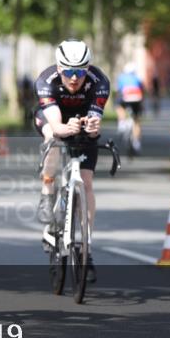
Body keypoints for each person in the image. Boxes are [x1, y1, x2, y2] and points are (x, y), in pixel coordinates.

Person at [33, 39, 110, 283]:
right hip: (52, 120)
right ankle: (47, 192)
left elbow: (95, 126)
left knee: (86, 183)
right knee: (52, 137)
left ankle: (85, 245)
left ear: (88, 69)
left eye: (79, 72)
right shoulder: (46, 81)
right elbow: (55, 125)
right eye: (68, 72)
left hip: (82, 121)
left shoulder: (100, 83)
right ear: (59, 69)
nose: (74, 78)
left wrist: (94, 127)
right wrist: (64, 128)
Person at [115, 62, 145, 155]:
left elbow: (118, 89)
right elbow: (142, 89)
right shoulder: (138, 78)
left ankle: (122, 122)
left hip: (125, 98)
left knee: (118, 105)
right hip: (137, 98)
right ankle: (136, 142)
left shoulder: (121, 77)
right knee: (136, 121)